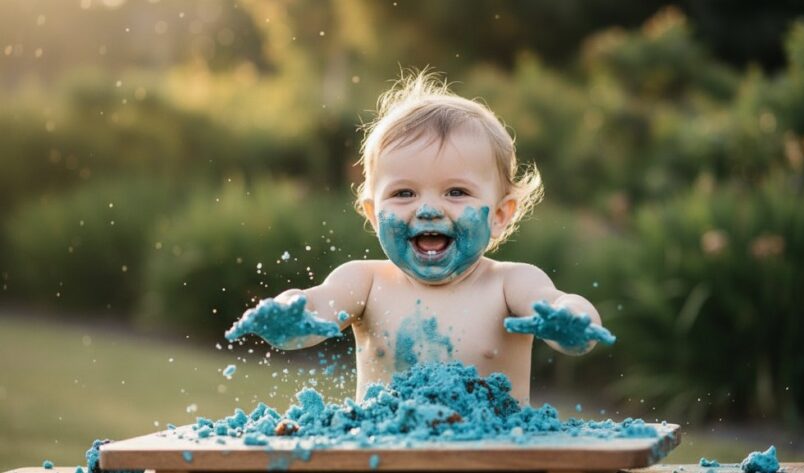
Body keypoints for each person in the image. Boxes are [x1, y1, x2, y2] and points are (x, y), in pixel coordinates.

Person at [226, 69, 614, 405]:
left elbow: (564, 311)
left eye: (456, 192)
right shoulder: (365, 282)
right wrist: (289, 315)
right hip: (386, 456)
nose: (428, 209)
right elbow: (317, 307)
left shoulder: (511, 284)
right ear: (374, 214)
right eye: (404, 193)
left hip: (492, 459)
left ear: (499, 215)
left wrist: (571, 321)